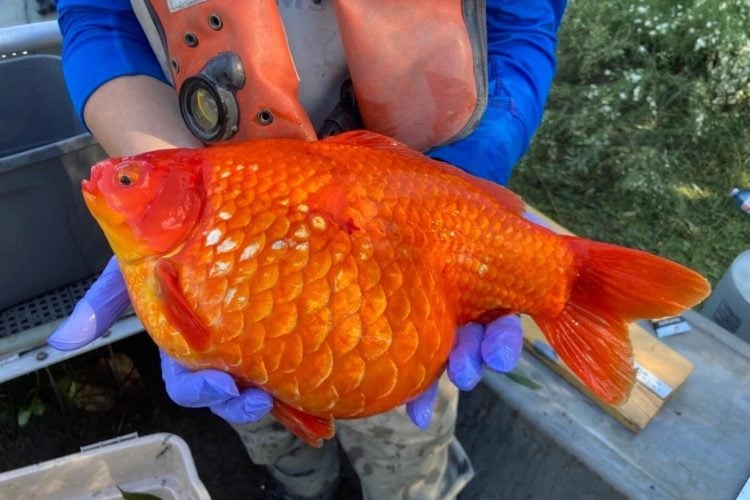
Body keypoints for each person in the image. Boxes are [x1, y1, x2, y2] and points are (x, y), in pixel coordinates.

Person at [49, 1, 566, 498]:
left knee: (406, 432)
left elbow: (518, 28)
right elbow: (101, 17)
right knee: (260, 414)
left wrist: (452, 193)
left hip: (407, 236)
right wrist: (169, 185)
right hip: (230, 201)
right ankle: (303, 487)